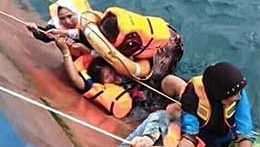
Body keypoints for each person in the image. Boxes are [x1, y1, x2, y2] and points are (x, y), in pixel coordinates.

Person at [53, 35, 185, 119]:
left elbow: (101, 55)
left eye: (111, 71)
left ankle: (189, 96)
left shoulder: (121, 70)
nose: (112, 75)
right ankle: (187, 114)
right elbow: (75, 79)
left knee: (170, 81)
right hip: (144, 107)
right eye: (107, 77)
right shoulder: (96, 86)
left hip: (153, 88)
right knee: (171, 109)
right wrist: (65, 52)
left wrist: (84, 49)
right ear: (102, 82)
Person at [177, 62, 258, 147]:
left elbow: (244, 132)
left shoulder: (238, 93)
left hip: (225, 136)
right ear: (222, 97)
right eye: (235, 95)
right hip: (202, 138)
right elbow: (190, 134)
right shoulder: (193, 95)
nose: (239, 97)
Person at [81, 6, 184, 84]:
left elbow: (141, 69)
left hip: (168, 49)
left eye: (107, 38)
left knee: (154, 80)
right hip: (163, 30)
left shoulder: (131, 43)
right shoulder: (113, 21)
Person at [25, 0, 99, 58]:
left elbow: (85, 34)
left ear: (76, 13)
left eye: (69, 16)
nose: (67, 21)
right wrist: (35, 30)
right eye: (62, 18)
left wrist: (63, 32)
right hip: (77, 59)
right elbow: (45, 35)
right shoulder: (57, 25)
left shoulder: (88, 20)